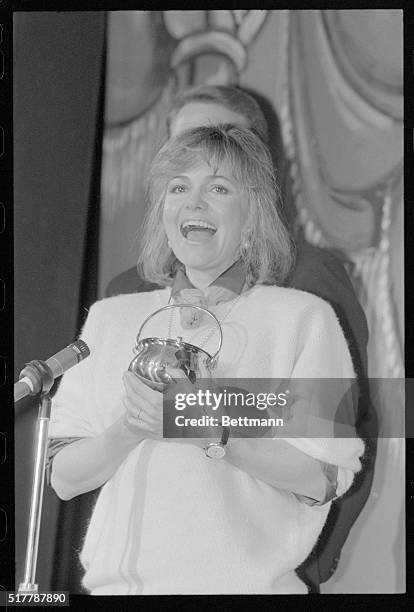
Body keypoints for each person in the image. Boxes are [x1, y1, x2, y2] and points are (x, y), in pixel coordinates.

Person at [48, 125, 364, 595]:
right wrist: (133, 426)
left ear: (252, 215)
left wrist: (209, 430)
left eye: (218, 188)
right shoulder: (109, 320)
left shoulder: (305, 319)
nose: (194, 202)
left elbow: (325, 478)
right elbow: (64, 479)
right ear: (163, 212)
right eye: (179, 188)